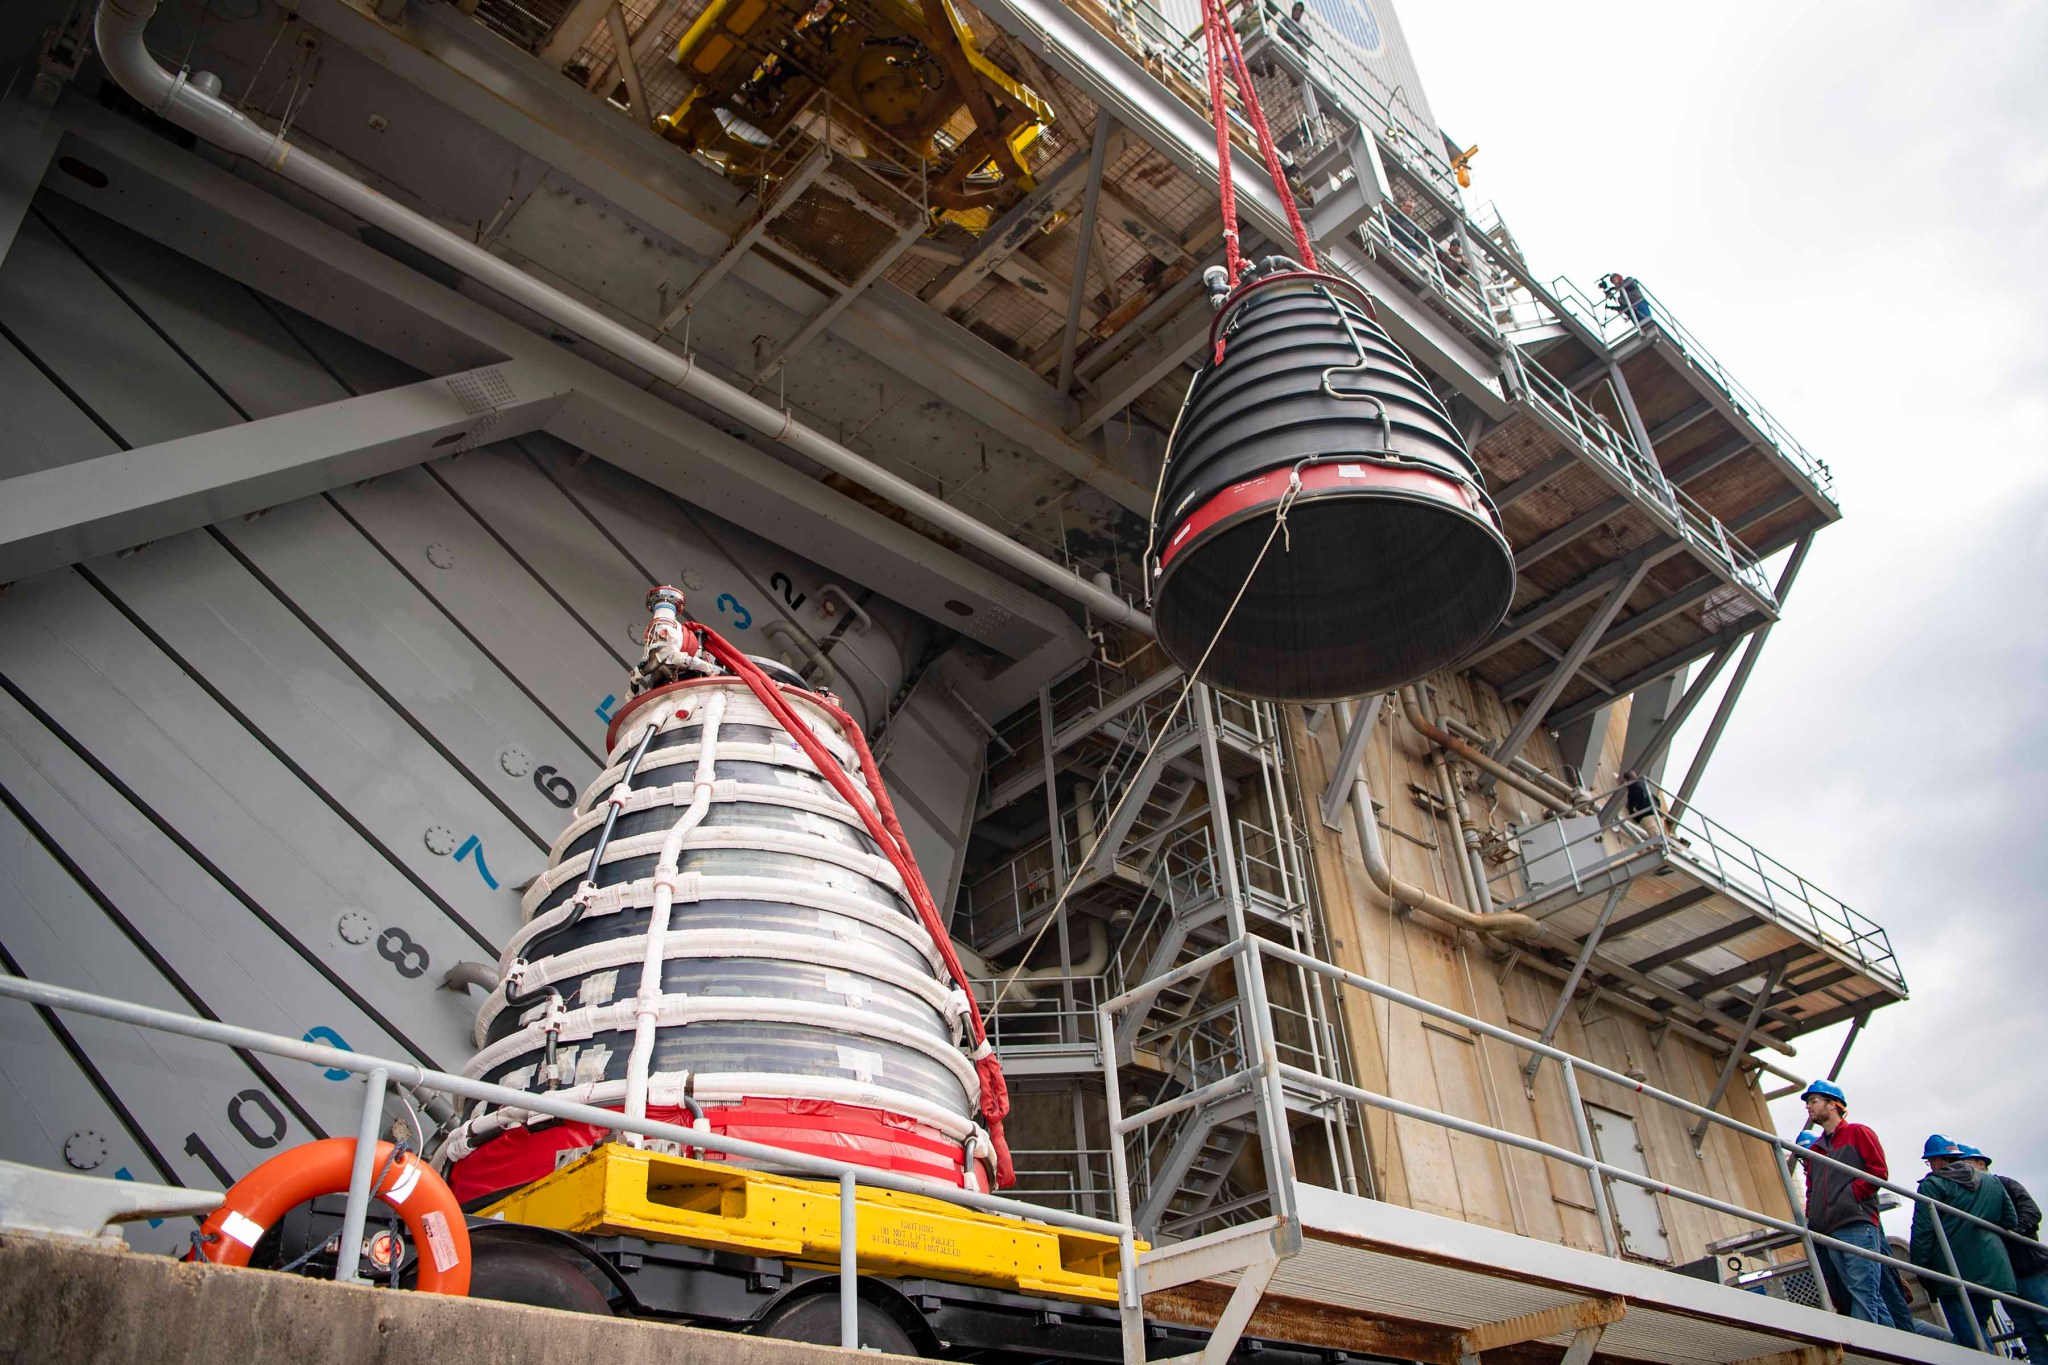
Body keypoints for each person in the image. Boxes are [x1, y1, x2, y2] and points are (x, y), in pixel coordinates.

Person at [1799, 1080, 1900, 1327]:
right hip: (1828, 1229)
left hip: (1856, 1224)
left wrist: (1851, 1197)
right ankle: (1896, 1348)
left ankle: (1865, 1352)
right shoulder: (1816, 1150)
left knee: (1863, 1293)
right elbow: (1812, 1190)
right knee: (1864, 1295)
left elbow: (1877, 1171)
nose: (1809, 1108)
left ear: (1833, 1105)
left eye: (1813, 1101)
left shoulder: (1858, 1132)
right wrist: (1814, 1216)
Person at [1910, 1135, 2018, 1350]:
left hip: (1954, 1272)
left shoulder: (1933, 1184)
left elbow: (1923, 1233)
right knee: (1976, 1328)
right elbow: (2010, 1220)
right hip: (1992, 1270)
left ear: (1938, 1160)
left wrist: (1923, 1271)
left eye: (1929, 1162)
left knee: (1970, 1339)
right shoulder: (1991, 1182)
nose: (1930, 1167)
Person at [1962, 1144, 2048, 1361]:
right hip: (2004, 1276)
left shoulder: (2005, 1184)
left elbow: (2031, 1211)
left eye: (1967, 1163)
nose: (1963, 1169)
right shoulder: (1970, 1196)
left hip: (2029, 1267)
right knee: (2027, 1329)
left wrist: (2013, 1231)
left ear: (1982, 1164)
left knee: (2045, 1319)